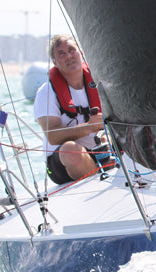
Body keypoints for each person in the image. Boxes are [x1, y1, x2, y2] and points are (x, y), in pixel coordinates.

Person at [34, 34, 110, 184]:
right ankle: (97, 182)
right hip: (62, 161)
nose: (68, 56)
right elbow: (52, 136)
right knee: (71, 150)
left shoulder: (99, 81)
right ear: (54, 62)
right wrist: (89, 127)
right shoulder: (46, 92)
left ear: (80, 52)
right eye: (61, 53)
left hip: (98, 150)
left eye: (71, 50)